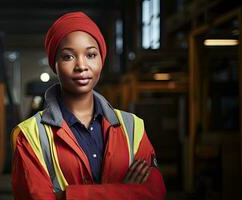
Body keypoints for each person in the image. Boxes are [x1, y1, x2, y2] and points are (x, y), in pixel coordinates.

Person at [10, 11, 166, 199]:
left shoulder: (133, 127)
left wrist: (67, 196)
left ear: (101, 59)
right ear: (55, 64)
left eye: (91, 54)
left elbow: (155, 193)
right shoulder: (30, 135)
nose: (81, 66)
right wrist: (124, 192)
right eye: (68, 57)